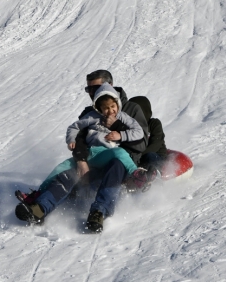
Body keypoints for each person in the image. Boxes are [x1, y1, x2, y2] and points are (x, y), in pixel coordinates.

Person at [16, 70, 165, 232]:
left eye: (96, 88)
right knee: (68, 174)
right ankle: (39, 208)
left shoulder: (131, 109)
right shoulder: (90, 113)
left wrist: (116, 127)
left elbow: (141, 144)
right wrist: (81, 162)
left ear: (109, 86)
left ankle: (98, 213)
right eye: (89, 89)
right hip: (93, 164)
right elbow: (80, 139)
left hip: (121, 166)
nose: (92, 93)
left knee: (116, 165)